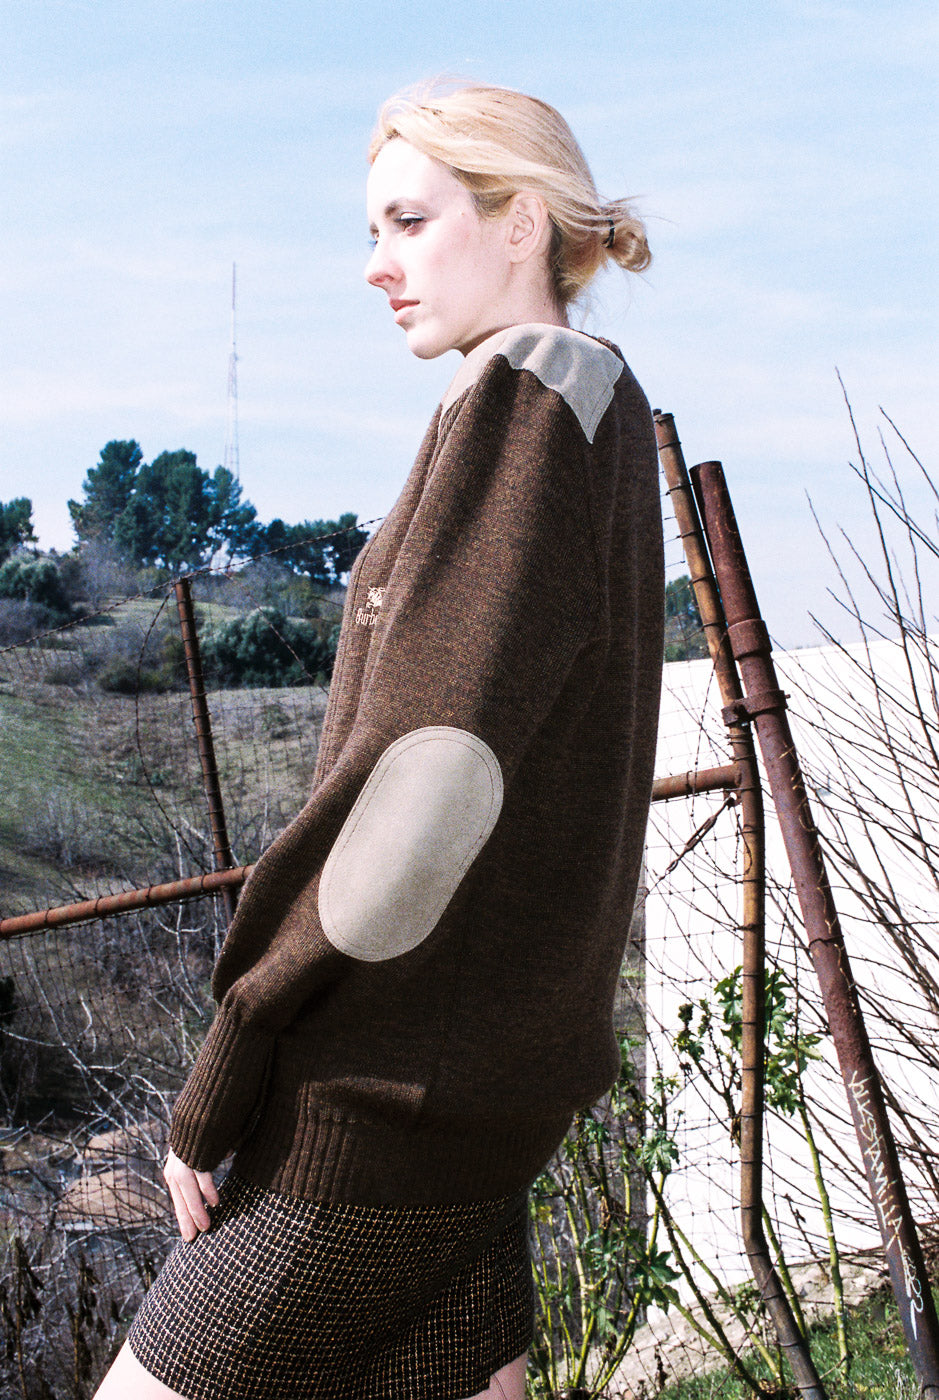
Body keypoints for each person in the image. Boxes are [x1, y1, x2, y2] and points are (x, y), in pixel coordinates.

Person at [94, 81, 664, 1400]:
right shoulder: (602, 411)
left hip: (378, 1107)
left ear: (522, 219)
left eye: (409, 221)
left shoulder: (524, 403)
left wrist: (232, 1050)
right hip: (479, 1101)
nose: (376, 266)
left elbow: (425, 776)